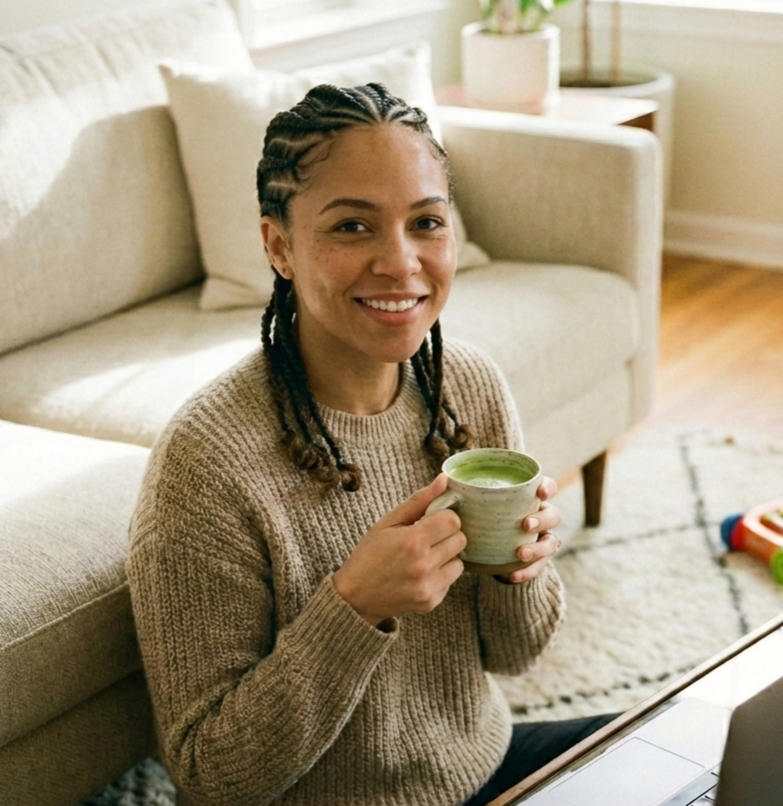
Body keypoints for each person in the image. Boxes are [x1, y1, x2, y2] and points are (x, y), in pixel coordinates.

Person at [126, 83, 614, 806]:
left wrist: (522, 570)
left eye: (425, 222)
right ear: (277, 245)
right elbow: (211, 775)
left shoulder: (467, 388)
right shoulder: (208, 464)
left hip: (480, 767)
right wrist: (352, 608)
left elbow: (515, 656)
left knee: (699, 750)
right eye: (353, 227)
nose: (400, 262)